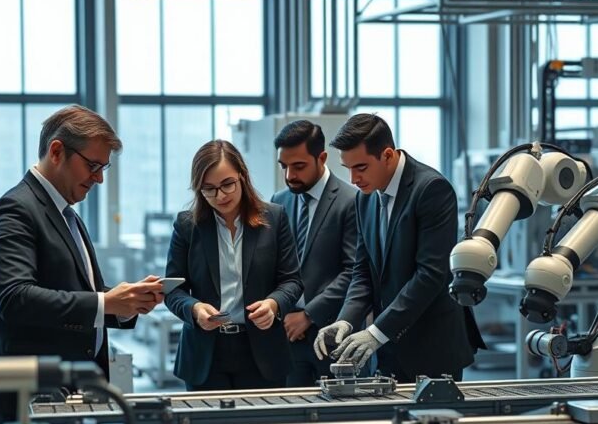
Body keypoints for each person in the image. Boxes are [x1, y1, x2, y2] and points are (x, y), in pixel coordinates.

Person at [0, 105, 164, 424]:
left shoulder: (68, 213)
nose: (100, 178)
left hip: (73, 392)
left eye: (104, 168)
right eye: (93, 165)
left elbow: (76, 292)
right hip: (32, 397)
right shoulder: (15, 209)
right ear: (56, 151)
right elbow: (14, 297)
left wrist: (126, 305)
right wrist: (106, 302)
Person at [313, 113, 485, 382]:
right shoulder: (364, 200)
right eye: (347, 168)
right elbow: (363, 270)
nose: (353, 178)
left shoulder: (431, 189)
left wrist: (376, 331)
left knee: (434, 423)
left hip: (432, 349)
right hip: (386, 345)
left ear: (388, 155)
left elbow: (430, 274)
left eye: (361, 167)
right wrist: (345, 320)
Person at [164, 139, 303, 390]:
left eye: (227, 184)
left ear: (242, 176)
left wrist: (273, 304)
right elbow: (172, 290)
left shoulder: (274, 218)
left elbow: (292, 281)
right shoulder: (187, 225)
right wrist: (195, 309)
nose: (220, 196)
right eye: (209, 189)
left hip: (262, 353)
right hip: (205, 353)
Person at [270, 120, 358, 386]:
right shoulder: (279, 201)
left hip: (332, 334)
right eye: (284, 167)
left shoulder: (352, 200)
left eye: (298, 166)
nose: (289, 176)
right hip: (287, 334)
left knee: (335, 418)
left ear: (322, 158)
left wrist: (308, 315)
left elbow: (354, 270)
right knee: (290, 416)